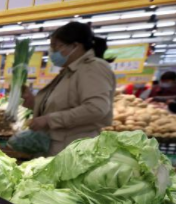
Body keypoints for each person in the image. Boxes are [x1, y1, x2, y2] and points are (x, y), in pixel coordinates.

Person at [23, 22, 115, 156]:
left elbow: (96, 108)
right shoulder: (69, 71)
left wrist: (49, 120)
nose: (52, 51)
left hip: (74, 151)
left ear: (75, 46)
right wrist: (33, 102)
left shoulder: (92, 68)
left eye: (56, 46)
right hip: (60, 148)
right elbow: (63, 105)